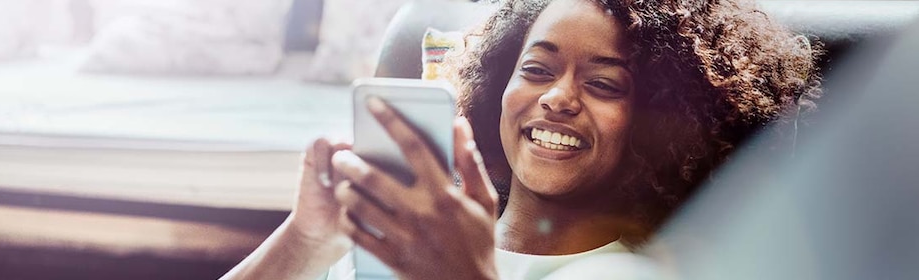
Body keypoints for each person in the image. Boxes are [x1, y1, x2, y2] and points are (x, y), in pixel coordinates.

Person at [222, 0, 821, 279]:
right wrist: (306, 238)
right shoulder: (399, 234)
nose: (558, 97)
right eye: (536, 70)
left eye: (604, 84)